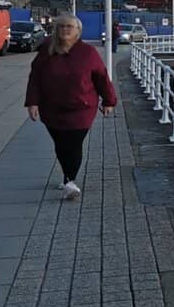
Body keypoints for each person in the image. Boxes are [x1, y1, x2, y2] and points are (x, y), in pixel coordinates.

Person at [25, 13, 117, 200]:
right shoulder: (46, 52)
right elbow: (35, 79)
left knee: (74, 144)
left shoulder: (88, 53)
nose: (65, 30)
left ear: (78, 31)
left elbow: (102, 79)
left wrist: (109, 101)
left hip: (81, 108)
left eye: (69, 27)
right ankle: (67, 177)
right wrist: (32, 102)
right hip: (51, 108)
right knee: (60, 144)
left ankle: (70, 181)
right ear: (56, 30)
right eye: (62, 26)